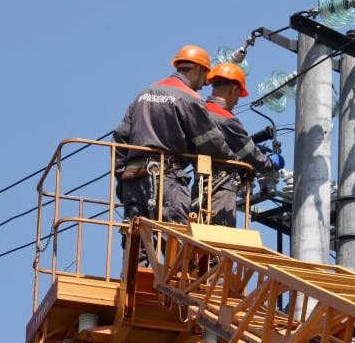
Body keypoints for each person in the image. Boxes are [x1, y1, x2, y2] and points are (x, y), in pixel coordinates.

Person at [113, 45, 235, 237]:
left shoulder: (143, 94)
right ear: (197, 69)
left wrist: (121, 175)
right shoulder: (189, 98)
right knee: (177, 244)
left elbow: (120, 137)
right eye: (204, 76)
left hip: (132, 180)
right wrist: (233, 161)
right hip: (166, 179)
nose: (204, 85)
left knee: (136, 245)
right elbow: (210, 141)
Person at [202, 62, 284, 226]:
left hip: (200, 187)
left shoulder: (200, 111)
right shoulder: (225, 118)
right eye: (239, 95)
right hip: (221, 189)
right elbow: (249, 153)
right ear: (233, 89)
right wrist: (271, 163)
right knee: (220, 240)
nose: (238, 101)